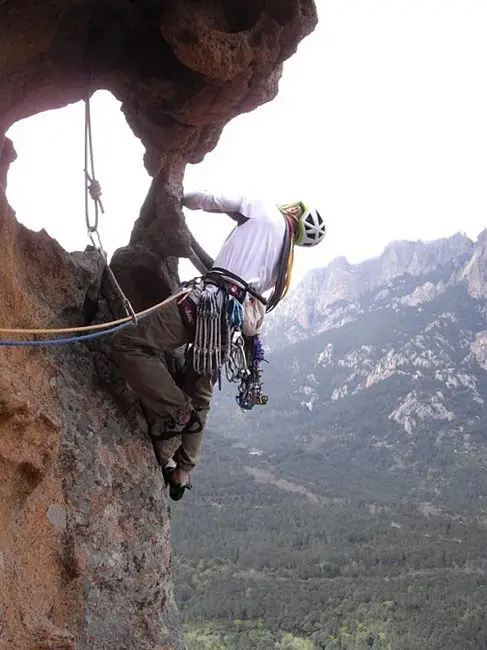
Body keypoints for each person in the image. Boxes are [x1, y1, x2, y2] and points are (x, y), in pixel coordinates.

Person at [111, 191, 326, 499]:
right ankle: (183, 472)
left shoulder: (264, 210)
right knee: (202, 390)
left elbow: (213, 200)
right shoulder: (283, 268)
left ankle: (176, 411)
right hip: (226, 327)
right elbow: (240, 285)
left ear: (295, 209)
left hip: (201, 307)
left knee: (127, 343)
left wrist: (179, 198)